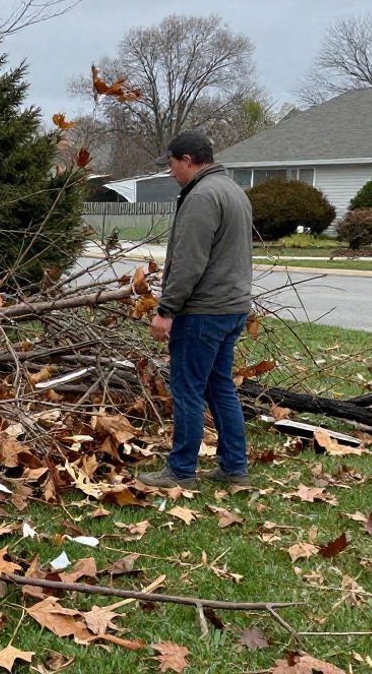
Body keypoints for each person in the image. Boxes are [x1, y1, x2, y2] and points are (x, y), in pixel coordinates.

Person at [136, 130, 254, 490]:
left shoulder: (202, 196)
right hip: (231, 307)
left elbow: (189, 262)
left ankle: (180, 471)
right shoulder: (232, 190)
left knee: (187, 389)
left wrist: (165, 310)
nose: (170, 172)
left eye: (171, 164)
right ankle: (235, 468)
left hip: (203, 311)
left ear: (187, 160)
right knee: (219, 387)